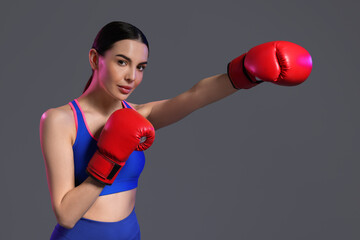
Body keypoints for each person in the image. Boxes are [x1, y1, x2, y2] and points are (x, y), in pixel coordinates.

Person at [39, 21, 312, 240]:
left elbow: (194, 97)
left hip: (130, 234)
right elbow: (65, 214)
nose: (131, 76)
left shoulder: (137, 114)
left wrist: (244, 72)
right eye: (122, 62)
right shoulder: (60, 120)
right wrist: (108, 161)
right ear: (95, 59)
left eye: (140, 67)